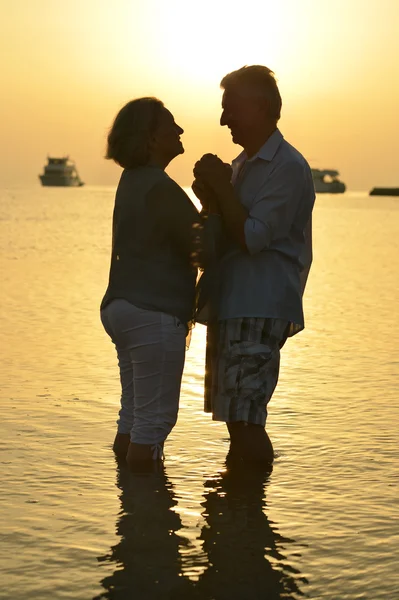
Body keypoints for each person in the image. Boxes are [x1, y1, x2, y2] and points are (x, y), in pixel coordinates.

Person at [193, 65, 315, 466]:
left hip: (259, 303)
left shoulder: (287, 167)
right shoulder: (242, 165)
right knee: (235, 420)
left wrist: (222, 187)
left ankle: (249, 515)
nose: (223, 119)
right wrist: (211, 196)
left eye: (231, 108)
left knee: (247, 423)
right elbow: (224, 233)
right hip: (234, 303)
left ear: (261, 108)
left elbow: (253, 236)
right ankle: (239, 518)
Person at [101, 97, 221, 469]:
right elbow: (207, 251)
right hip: (151, 313)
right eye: (171, 123)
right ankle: (147, 513)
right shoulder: (161, 187)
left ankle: (128, 504)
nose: (180, 130)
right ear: (151, 138)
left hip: (121, 307)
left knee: (133, 417)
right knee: (154, 422)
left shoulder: (132, 181)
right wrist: (216, 201)